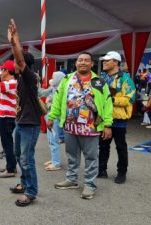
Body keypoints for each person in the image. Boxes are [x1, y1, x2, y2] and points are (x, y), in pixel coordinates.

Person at [47, 52, 113, 200]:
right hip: (70, 126)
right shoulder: (67, 79)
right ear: (76, 63)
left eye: (86, 61)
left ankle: (89, 185)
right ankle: (72, 179)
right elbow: (58, 99)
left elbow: (108, 103)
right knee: (71, 155)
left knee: (91, 156)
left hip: (91, 127)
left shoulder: (99, 82)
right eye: (80, 60)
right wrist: (52, 116)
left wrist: (108, 124)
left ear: (92, 64)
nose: (83, 63)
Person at [7, 19, 41, 207]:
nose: (14, 63)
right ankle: (25, 183)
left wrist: (14, 41)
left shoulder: (29, 77)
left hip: (30, 125)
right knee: (20, 156)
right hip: (21, 122)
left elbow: (20, 59)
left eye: (16, 61)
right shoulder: (21, 79)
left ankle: (30, 191)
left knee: (27, 159)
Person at [97, 51, 136, 184]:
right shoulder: (100, 78)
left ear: (116, 62)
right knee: (103, 145)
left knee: (120, 146)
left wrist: (110, 100)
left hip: (119, 119)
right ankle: (101, 170)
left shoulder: (126, 79)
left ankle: (122, 172)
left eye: (108, 60)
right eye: (104, 60)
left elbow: (130, 99)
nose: (104, 62)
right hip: (103, 118)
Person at [42, 71, 66, 171]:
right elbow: (42, 93)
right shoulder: (53, 88)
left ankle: (56, 163)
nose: (51, 79)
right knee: (50, 139)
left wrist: (50, 100)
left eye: (53, 77)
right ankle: (53, 159)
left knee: (54, 140)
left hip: (55, 118)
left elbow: (59, 105)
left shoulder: (62, 90)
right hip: (49, 116)